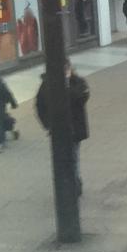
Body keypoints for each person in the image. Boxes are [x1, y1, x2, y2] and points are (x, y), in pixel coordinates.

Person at [35, 59, 90, 196]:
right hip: (57, 130)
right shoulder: (46, 84)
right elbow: (40, 105)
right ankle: (66, 185)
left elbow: (80, 97)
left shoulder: (78, 82)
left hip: (74, 129)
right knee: (60, 159)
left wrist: (65, 84)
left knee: (73, 158)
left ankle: (75, 185)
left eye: (66, 68)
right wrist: (48, 124)